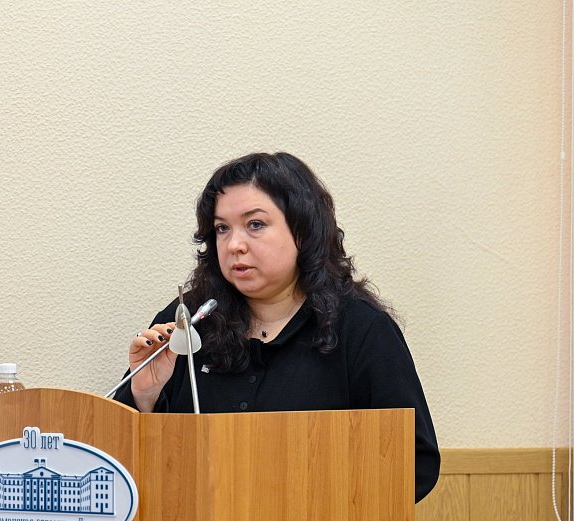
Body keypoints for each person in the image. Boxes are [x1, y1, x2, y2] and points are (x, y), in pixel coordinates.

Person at [114, 152, 440, 502]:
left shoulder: (361, 329)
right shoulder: (188, 321)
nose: (234, 245)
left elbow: (415, 464)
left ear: (302, 231)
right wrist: (143, 396)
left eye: (255, 225)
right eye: (222, 228)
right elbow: (119, 462)